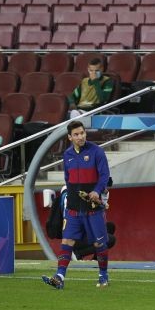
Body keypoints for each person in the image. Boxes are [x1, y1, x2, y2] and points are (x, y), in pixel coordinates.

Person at [42, 121, 112, 289]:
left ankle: (103, 276)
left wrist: (96, 191)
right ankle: (59, 277)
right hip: (74, 208)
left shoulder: (97, 152)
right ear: (70, 137)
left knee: (99, 244)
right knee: (67, 241)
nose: (80, 136)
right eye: (76, 134)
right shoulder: (67, 155)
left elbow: (104, 176)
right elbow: (68, 178)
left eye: (82, 133)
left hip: (93, 208)